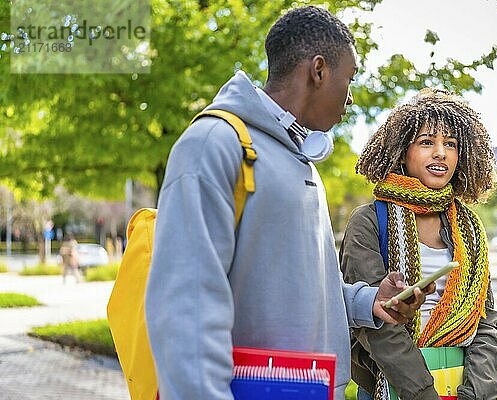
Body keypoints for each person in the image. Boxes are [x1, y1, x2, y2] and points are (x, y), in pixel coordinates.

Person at [145, 7, 433, 400]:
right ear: (318, 71)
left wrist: (371, 302)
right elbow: (183, 310)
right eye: (348, 80)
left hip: (312, 389)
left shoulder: (303, 162)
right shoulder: (214, 145)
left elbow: (307, 289)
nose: (349, 99)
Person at [340, 89, 497, 400]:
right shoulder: (369, 221)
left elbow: (485, 323)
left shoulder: (468, 228)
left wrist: (476, 394)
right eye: (427, 142)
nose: (441, 152)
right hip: (394, 385)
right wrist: (423, 394)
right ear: (403, 152)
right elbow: (376, 325)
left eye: (451, 144)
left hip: (462, 387)